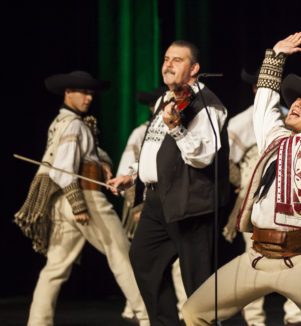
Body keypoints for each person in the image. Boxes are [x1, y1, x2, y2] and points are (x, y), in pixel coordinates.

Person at [181, 32, 301, 326]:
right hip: (257, 257)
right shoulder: (276, 141)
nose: (296, 104)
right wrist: (275, 57)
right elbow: (263, 108)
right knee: (193, 311)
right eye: (295, 100)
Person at [107, 40, 230, 326]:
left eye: (177, 59)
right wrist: (134, 174)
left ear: (194, 68)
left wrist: (176, 128)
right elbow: (157, 150)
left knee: (197, 282)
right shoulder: (166, 99)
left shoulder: (210, 105)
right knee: (143, 260)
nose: (168, 64)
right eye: (166, 58)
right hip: (157, 200)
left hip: (191, 202)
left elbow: (202, 156)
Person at [14, 71, 149, 326]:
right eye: (83, 92)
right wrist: (78, 206)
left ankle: (37, 323)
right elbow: (63, 170)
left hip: (64, 203)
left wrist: (104, 164)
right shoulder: (75, 125)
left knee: (55, 268)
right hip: (84, 198)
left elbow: (86, 156)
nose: (88, 98)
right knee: (121, 255)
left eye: (90, 93)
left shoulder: (64, 122)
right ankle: (146, 316)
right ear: (68, 93)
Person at [222, 69, 301, 326]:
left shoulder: (288, 116)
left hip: (290, 196)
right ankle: (255, 319)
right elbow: (226, 158)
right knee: (255, 259)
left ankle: (296, 315)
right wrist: (243, 184)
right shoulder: (243, 121)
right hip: (257, 195)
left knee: (296, 256)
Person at [115, 86, 188, 322]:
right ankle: (135, 309)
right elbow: (129, 167)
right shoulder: (141, 132)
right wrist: (136, 207)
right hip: (148, 202)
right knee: (145, 258)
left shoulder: (180, 128)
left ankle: (185, 310)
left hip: (174, 201)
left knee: (171, 263)